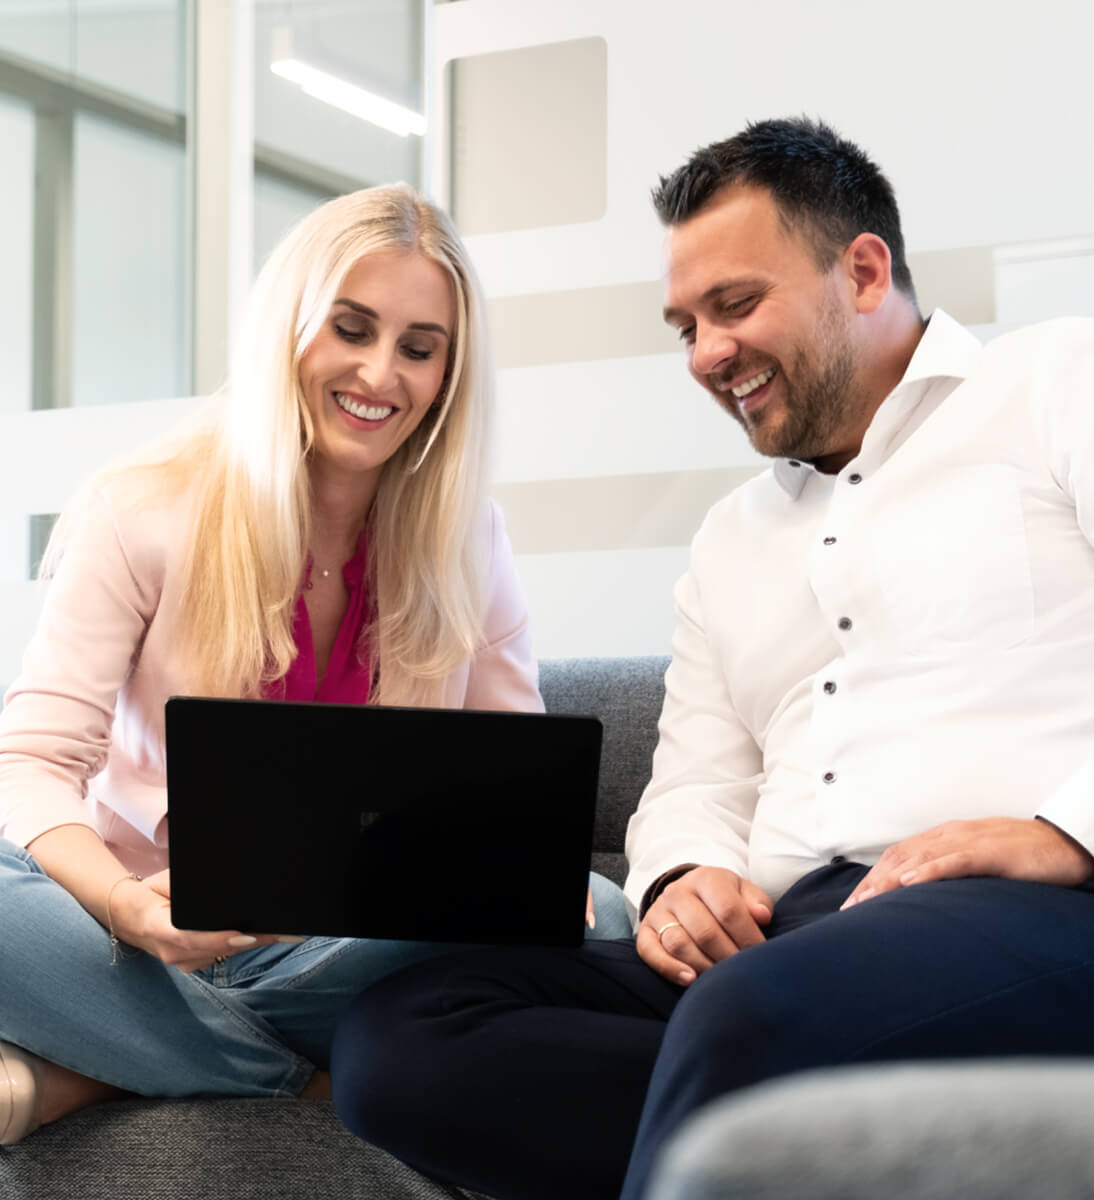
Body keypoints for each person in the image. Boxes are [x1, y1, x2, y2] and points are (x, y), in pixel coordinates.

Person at [327, 118, 1094, 1200]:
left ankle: (759, 1088)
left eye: (733, 306)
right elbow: (696, 776)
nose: (703, 355)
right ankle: (799, 1129)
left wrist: (1061, 833)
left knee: (751, 1019)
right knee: (404, 1037)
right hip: (789, 945)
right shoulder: (731, 539)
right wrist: (686, 877)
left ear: (862, 271)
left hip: (1036, 914)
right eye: (683, 325)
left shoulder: (1054, 384)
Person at [0, 183, 630, 1147]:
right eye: (351, 328)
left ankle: (99, 1070)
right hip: (137, 942)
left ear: (449, 375)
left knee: (605, 914)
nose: (381, 373)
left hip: (345, 957)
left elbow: (515, 799)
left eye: (420, 348)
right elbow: (32, 763)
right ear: (291, 328)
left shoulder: (471, 540)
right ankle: (296, 1084)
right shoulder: (137, 510)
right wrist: (127, 907)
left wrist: (514, 878)